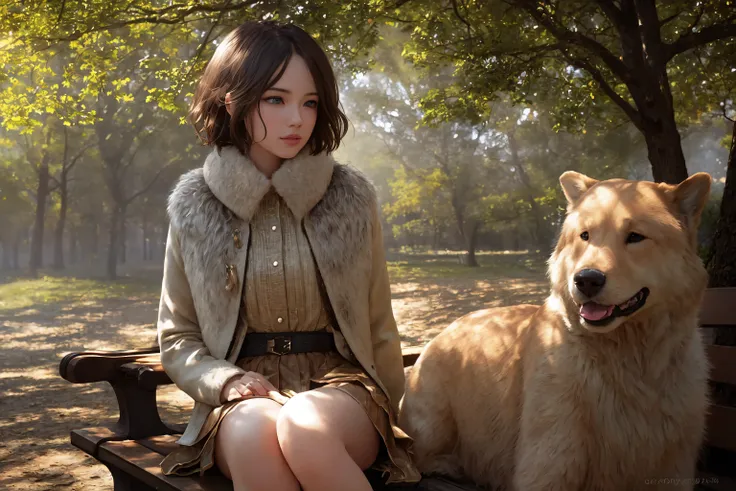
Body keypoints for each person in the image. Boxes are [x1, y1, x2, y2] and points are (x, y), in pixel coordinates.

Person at [156, 21, 421, 491]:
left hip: (343, 391)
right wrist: (222, 380)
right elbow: (178, 335)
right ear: (233, 99)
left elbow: (380, 323)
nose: (297, 118)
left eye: (310, 102)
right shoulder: (195, 205)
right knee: (258, 436)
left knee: (304, 426)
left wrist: (391, 410)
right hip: (242, 395)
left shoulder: (352, 197)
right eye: (276, 99)